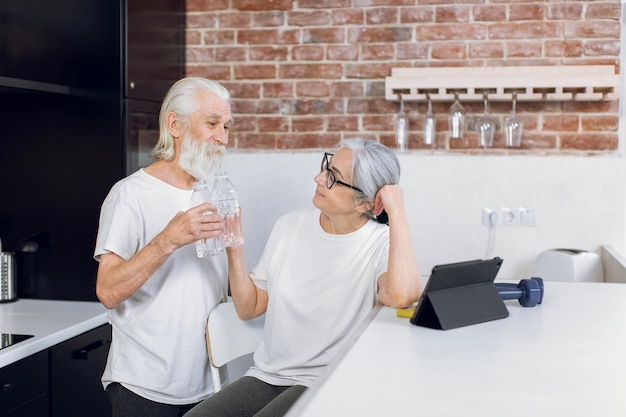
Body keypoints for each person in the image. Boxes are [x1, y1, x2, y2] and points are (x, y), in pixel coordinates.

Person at [184, 138, 424, 417]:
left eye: (333, 178)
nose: (319, 178)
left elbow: (401, 295)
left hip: (328, 382)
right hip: (268, 376)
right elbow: (249, 307)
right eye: (326, 167)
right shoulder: (289, 225)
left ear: (365, 204)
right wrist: (235, 250)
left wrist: (397, 210)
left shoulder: (381, 243)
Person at [93, 77, 234, 417]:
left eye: (227, 126)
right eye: (212, 124)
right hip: (143, 386)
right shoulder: (130, 195)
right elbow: (108, 291)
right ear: (175, 124)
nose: (222, 137)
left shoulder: (216, 191)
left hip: (210, 383)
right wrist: (169, 238)